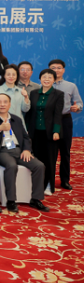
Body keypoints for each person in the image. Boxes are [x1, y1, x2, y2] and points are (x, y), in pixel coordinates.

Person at [0, 93, 48, 213]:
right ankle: (11, 201)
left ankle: (36, 199)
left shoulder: (16, 119)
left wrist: (27, 150)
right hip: (2, 151)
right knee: (11, 166)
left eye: (5, 102)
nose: (2, 104)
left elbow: (25, 137)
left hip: (19, 150)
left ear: (9, 104)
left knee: (39, 166)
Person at [25, 69, 64, 193]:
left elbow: (58, 114)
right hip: (35, 132)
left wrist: (56, 131)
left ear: (54, 80)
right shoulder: (33, 93)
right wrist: (26, 130)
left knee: (50, 160)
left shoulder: (58, 94)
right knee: (37, 159)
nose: (46, 79)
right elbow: (30, 113)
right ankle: (37, 185)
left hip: (50, 133)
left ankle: (48, 186)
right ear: (40, 79)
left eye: (50, 77)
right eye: (44, 77)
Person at [49, 59, 82, 190]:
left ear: (63, 70)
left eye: (59, 68)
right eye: (53, 68)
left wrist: (77, 107)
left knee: (65, 151)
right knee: (50, 153)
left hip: (65, 120)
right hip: (49, 121)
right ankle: (49, 180)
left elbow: (79, 103)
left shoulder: (71, 86)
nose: (56, 70)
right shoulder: (43, 85)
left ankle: (65, 180)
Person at [0, 65, 31, 129]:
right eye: (8, 74)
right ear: (4, 76)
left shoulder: (21, 91)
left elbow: (25, 109)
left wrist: (26, 97)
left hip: (18, 125)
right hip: (3, 124)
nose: (11, 77)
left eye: (14, 74)